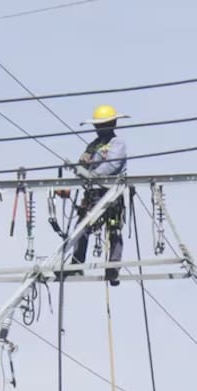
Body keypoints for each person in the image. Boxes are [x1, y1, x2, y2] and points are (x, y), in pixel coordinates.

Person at [60, 104, 128, 286]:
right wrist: (80, 167)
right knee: (82, 226)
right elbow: (83, 162)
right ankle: (76, 263)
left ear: (112, 124)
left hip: (111, 193)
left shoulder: (117, 143)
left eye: (102, 125)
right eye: (97, 126)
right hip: (93, 194)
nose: (99, 129)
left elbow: (112, 166)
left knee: (114, 229)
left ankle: (113, 268)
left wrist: (92, 174)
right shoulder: (93, 145)